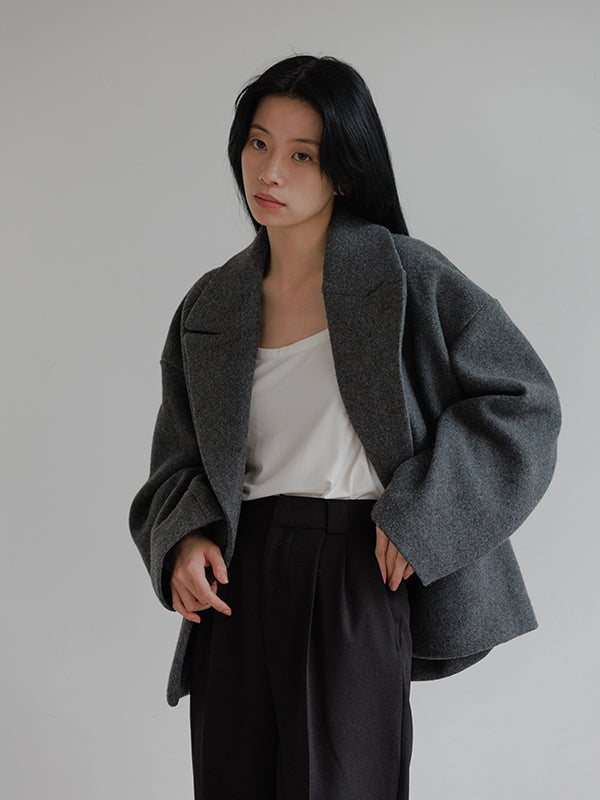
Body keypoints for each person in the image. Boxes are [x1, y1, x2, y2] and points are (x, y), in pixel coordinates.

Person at [128, 54, 561, 800]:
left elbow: (525, 403)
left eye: (303, 155)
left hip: (354, 571)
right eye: (258, 143)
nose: (270, 172)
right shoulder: (211, 304)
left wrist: (424, 515)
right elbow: (178, 458)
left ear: (345, 171)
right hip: (236, 580)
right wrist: (185, 538)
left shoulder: (408, 276)